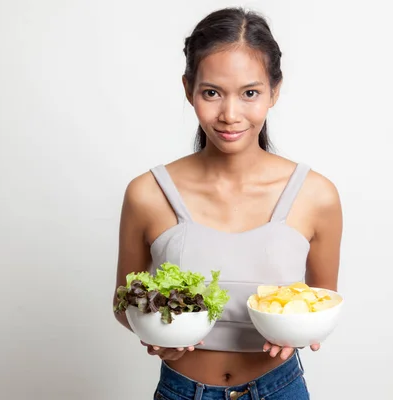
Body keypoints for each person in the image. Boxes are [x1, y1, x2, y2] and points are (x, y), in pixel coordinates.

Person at [114, 7, 343, 399]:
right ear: (188, 90)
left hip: (280, 389)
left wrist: (297, 335)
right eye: (211, 93)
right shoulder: (147, 193)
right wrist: (154, 335)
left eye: (249, 93)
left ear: (274, 91)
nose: (230, 115)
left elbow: (320, 303)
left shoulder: (316, 194)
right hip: (180, 391)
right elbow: (124, 303)